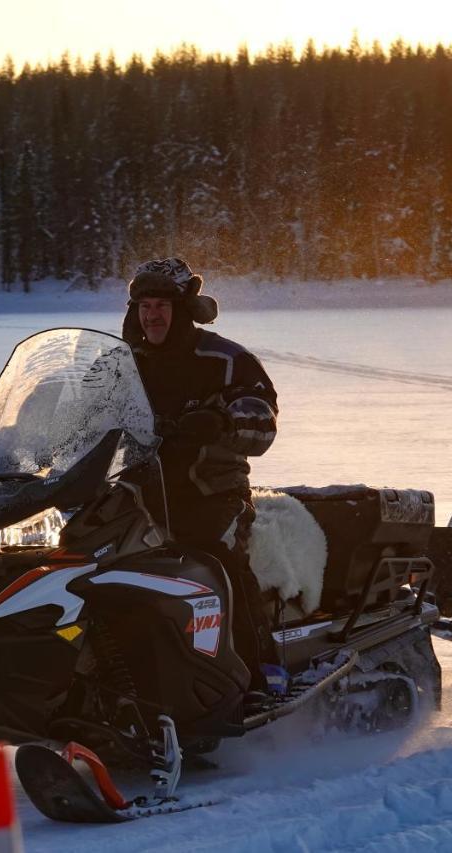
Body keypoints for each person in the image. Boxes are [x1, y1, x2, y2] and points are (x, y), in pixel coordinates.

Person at [121, 257, 282, 692]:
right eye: (144, 305)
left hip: (211, 492)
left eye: (161, 305)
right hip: (135, 495)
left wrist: (225, 423)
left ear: (184, 309)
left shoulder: (225, 359)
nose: (152, 315)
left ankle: (261, 671)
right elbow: (78, 418)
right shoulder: (119, 366)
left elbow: (262, 419)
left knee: (214, 560)